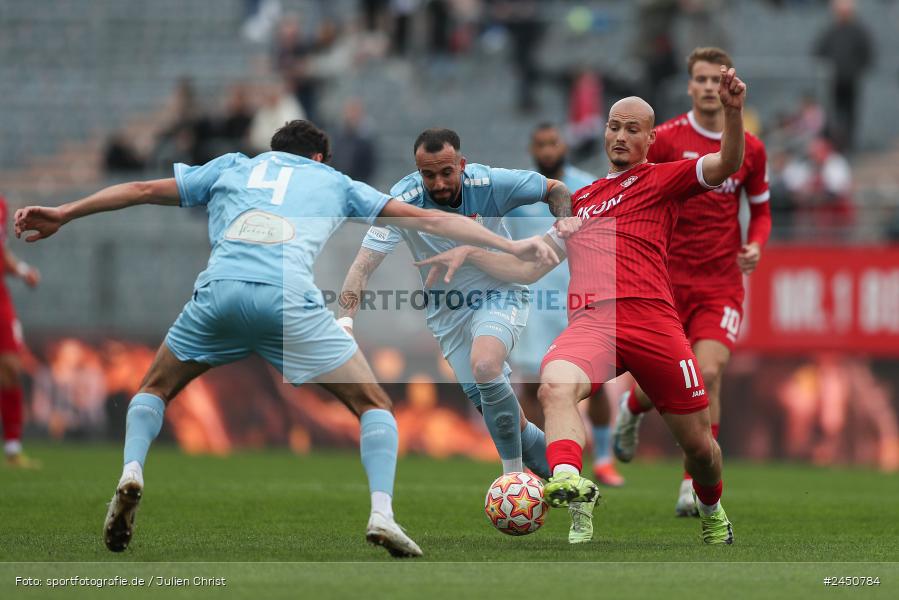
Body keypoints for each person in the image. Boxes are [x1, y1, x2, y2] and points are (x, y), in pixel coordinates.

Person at [15, 120, 556, 558]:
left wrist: (65, 211)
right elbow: (432, 222)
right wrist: (512, 248)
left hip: (219, 293)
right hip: (287, 301)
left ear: (273, 151)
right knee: (373, 405)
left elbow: (139, 189)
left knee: (153, 389)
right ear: (319, 157)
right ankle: (382, 514)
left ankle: (132, 469)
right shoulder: (332, 181)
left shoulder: (232, 165)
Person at [416, 66, 748, 544]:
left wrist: (733, 113)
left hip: (653, 322)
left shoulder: (663, 179)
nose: (620, 136)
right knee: (554, 386)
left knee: (700, 448)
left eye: (632, 129)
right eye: (613, 126)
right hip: (594, 324)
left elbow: (726, 163)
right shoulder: (582, 201)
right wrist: (471, 253)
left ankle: (712, 510)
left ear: (650, 139)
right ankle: (571, 486)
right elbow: (528, 268)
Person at [337, 128, 593, 541]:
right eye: (428, 175)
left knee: (486, 365)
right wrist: (346, 322)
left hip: (500, 292)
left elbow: (555, 188)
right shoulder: (403, 199)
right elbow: (362, 266)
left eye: (446, 172)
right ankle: (573, 487)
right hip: (448, 316)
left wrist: (563, 219)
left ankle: (511, 480)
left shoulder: (489, 182)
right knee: (508, 420)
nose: (438, 183)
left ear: (462, 165)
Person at [609, 47, 771, 517]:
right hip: (666, 281)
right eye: (700, 79)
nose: (708, 87)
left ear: (727, 86)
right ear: (689, 86)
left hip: (720, 282)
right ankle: (633, 408)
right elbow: (628, 185)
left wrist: (756, 244)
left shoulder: (751, 148)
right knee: (676, 379)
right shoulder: (664, 139)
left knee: (708, 373)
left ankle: (689, 485)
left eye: (715, 79)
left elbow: (761, 211)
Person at [505, 123, 624, 496]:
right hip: (534, 302)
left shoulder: (586, 186)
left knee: (596, 382)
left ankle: (602, 459)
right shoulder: (519, 193)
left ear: (563, 146)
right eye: (540, 144)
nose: (547, 150)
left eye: (552, 143)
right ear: (532, 149)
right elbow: (505, 241)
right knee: (532, 385)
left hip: (581, 299)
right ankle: (541, 462)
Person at [0, 194, 41, 467]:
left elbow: (1, 252)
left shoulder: (1, 206)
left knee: (11, 368)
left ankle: (13, 449)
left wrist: (23, 270)